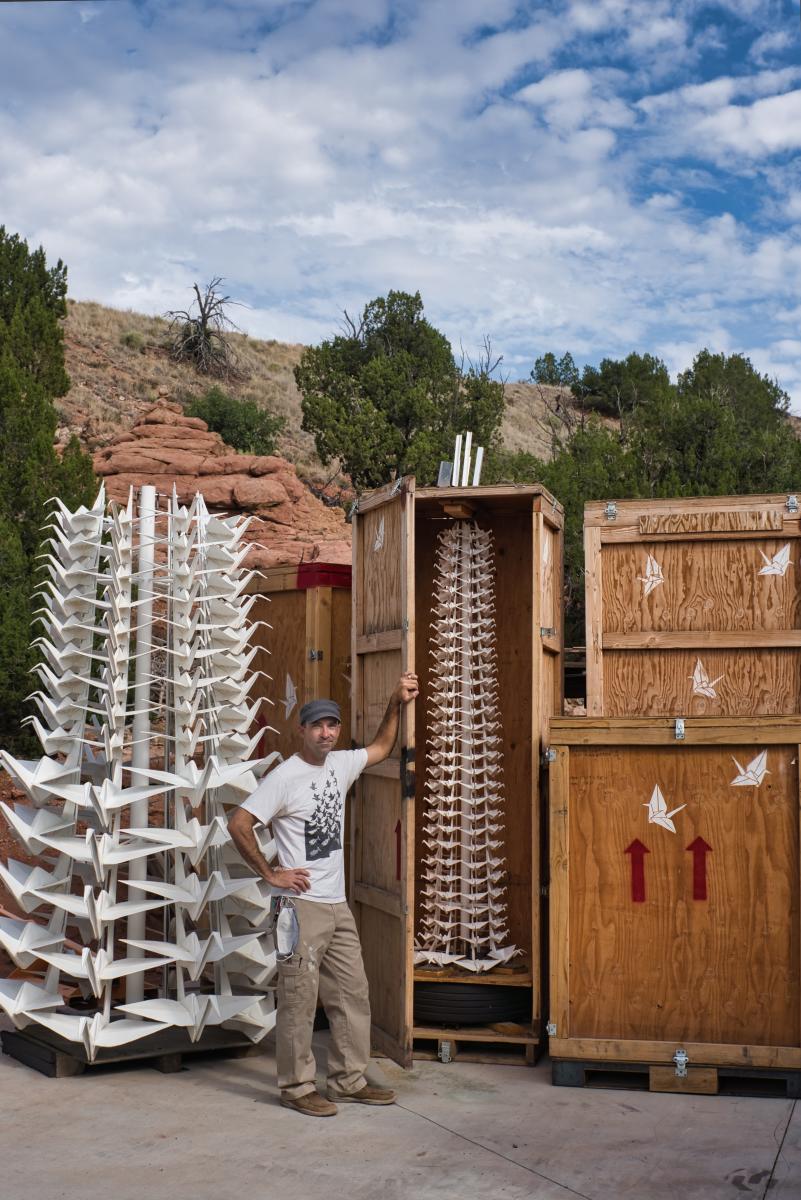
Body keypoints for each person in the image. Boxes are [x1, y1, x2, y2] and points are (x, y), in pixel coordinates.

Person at [228, 672, 419, 1117]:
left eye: (332, 725)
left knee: (352, 993)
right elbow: (238, 823)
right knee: (298, 997)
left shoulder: (341, 764)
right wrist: (272, 873)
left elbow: (381, 748)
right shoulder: (285, 777)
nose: (326, 733)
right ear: (303, 731)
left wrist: (395, 702)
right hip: (300, 907)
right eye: (318, 726)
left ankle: (347, 1080)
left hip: (336, 904)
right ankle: (296, 1087)